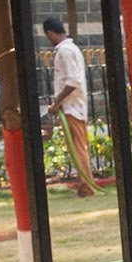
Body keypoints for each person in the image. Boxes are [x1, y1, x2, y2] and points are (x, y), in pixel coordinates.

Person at [42, 17, 98, 198]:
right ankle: (85, 184)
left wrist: (57, 102)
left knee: (78, 147)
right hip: (72, 107)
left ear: (50, 33)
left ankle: (87, 187)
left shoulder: (65, 51)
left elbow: (73, 81)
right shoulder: (70, 49)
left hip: (72, 107)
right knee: (77, 147)